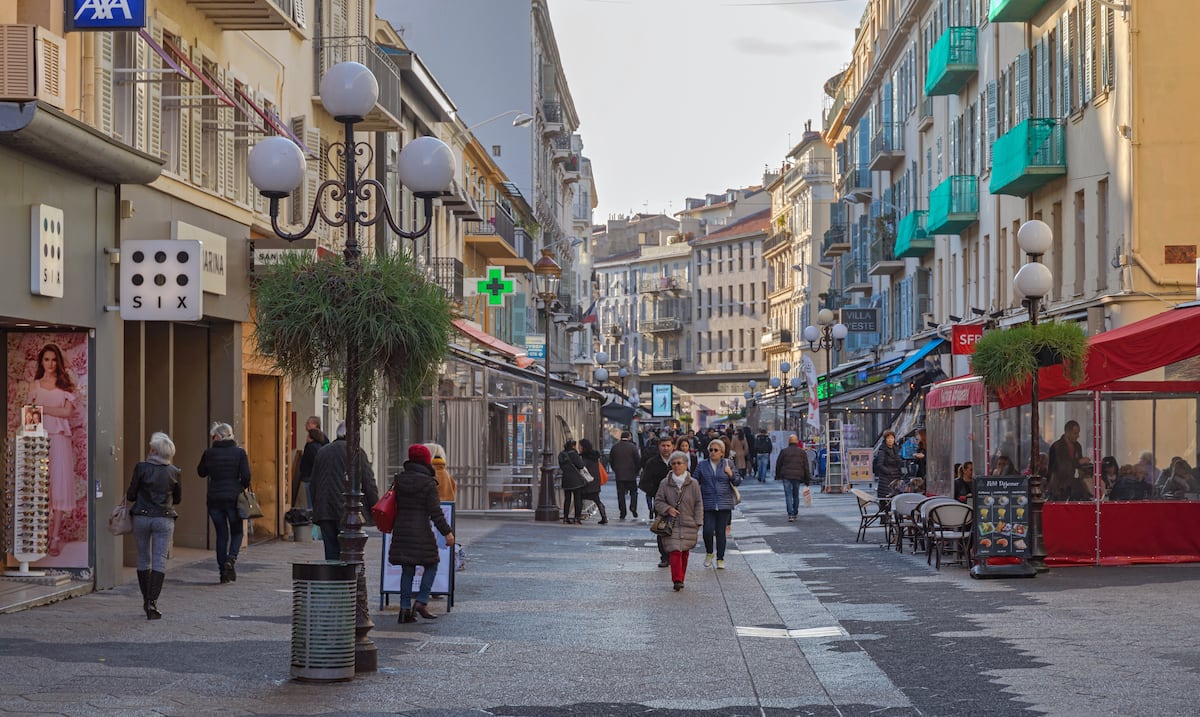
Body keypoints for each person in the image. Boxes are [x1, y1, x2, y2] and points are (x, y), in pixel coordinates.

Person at [388, 444, 455, 623]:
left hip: (401, 530)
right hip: (421, 531)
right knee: (432, 564)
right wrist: (447, 533)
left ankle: (404, 610)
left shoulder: (398, 480)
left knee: (407, 569)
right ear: (426, 460)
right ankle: (421, 601)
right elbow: (435, 513)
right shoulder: (428, 483)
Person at [28, 343, 78, 557]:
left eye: (53, 359)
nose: (50, 363)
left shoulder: (65, 386)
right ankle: (38, 535)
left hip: (59, 438)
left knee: (58, 483)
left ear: (58, 361)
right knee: (38, 484)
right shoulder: (34, 385)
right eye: (46, 359)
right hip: (37, 437)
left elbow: (68, 412)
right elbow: (28, 412)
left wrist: (43, 409)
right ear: (41, 361)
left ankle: (55, 536)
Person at [126, 432, 181, 620]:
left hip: (141, 516)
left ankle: (145, 598)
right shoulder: (174, 471)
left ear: (153, 451)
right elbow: (178, 499)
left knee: (143, 557)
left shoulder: (141, 468)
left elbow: (131, 495)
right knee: (160, 559)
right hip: (164, 518)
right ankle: (152, 602)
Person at [310, 421, 379, 560]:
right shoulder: (356, 452)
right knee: (349, 552)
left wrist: (317, 506)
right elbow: (368, 482)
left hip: (325, 511)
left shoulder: (323, 451)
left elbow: (313, 484)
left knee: (331, 552)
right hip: (346, 512)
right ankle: (346, 580)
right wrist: (375, 507)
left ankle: (333, 580)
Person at [197, 422, 251, 583]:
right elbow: (246, 476)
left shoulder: (209, 453)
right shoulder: (240, 453)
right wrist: (240, 487)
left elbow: (201, 472)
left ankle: (223, 572)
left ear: (218, 437)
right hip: (234, 498)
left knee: (221, 534)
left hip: (214, 498)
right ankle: (231, 558)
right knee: (237, 531)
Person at [654, 451, 704, 591]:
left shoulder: (693, 483)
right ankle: (677, 579)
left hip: (689, 522)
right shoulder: (665, 483)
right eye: (673, 463)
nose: (676, 466)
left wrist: (698, 521)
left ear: (686, 465)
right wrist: (667, 509)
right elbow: (658, 501)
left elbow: (699, 503)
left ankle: (681, 577)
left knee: (684, 551)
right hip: (671, 523)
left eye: (679, 463)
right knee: (675, 550)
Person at [694, 438, 740, 569]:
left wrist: (730, 474)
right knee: (707, 530)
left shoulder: (728, 464)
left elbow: (737, 481)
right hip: (707, 503)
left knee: (721, 532)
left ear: (722, 452)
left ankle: (721, 558)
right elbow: (695, 480)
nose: (712, 452)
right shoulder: (702, 465)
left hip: (724, 503)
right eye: (711, 450)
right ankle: (709, 552)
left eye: (715, 450)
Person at [638, 435, 675, 567]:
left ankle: (674, 555)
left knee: (676, 529)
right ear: (659, 447)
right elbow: (644, 483)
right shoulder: (652, 463)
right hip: (660, 502)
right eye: (663, 445)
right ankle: (664, 556)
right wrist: (656, 493)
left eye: (668, 445)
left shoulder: (677, 461)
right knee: (662, 528)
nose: (666, 448)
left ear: (673, 446)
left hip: (677, 501)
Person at [1047, 420, 1091, 501]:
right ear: (1067, 432)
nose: (1078, 436)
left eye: (1078, 433)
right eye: (1075, 433)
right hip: (1058, 487)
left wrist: (1087, 467)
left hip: (1072, 485)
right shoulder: (1057, 447)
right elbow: (1061, 467)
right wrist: (1079, 462)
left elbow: (1079, 466)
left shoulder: (1077, 446)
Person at [774, 434, 812, 522]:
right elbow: (806, 466)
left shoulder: (784, 451)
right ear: (797, 442)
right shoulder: (802, 452)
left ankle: (790, 514)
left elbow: (778, 463)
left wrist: (777, 475)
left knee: (788, 495)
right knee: (796, 495)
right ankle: (795, 512)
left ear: (789, 442)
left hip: (786, 475)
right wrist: (807, 479)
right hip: (798, 476)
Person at [292, 418, 328, 508]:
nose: (306, 425)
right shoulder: (319, 444)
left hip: (310, 477)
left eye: (309, 423)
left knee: (311, 502)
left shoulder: (312, 446)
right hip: (315, 477)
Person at [609, 430, 641, 520]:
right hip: (631, 475)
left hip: (619, 475)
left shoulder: (615, 447)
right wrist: (636, 471)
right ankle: (633, 506)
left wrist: (615, 469)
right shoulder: (633, 447)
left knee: (621, 494)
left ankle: (622, 512)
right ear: (629, 437)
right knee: (634, 492)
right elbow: (638, 460)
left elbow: (611, 460)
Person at [578, 438, 609, 524]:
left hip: (588, 482)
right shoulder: (594, 457)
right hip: (595, 482)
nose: (579, 448)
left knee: (579, 498)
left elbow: (582, 468)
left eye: (580, 446)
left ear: (584, 447)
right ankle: (604, 517)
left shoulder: (584, 458)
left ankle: (577, 517)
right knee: (597, 500)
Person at [558, 439, 588, 524]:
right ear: (573, 446)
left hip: (566, 479)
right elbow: (581, 465)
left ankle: (565, 518)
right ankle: (577, 518)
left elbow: (562, 466)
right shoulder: (574, 454)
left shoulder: (561, 455)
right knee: (577, 499)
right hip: (576, 480)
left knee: (567, 499)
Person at [872, 430, 903, 500]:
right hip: (885, 479)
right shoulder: (882, 450)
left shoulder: (896, 448)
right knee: (886, 498)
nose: (890, 440)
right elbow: (880, 465)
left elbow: (899, 461)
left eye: (892, 438)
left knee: (895, 498)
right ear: (885, 439)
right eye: (888, 438)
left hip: (896, 477)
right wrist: (889, 472)